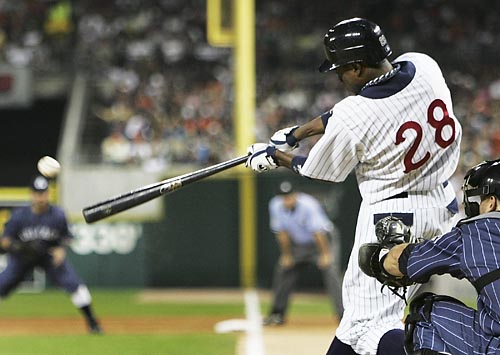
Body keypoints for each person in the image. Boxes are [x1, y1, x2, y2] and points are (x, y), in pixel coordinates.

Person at [246, 17, 462, 355]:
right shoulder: (424, 66)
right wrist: (294, 134)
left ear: (359, 67)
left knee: (365, 328)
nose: (338, 75)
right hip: (443, 206)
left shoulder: (355, 113)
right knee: (366, 324)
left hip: (393, 219)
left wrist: (274, 157)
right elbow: (350, 111)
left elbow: (317, 170)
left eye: (342, 69)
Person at [360, 159, 500, 355]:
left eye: (480, 200)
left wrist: (382, 256)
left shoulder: (477, 231)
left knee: (424, 311)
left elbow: (398, 263)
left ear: (491, 202)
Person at [0, 175, 103, 334]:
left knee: (75, 285)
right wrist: (21, 246)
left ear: (48, 194)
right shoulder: (20, 215)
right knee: (2, 284)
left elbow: (67, 237)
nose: (40, 197)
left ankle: (93, 323)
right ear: (31, 194)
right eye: (37, 193)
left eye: (43, 193)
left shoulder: (58, 215)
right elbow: (5, 240)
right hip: (22, 258)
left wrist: (60, 249)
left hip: (48, 256)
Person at [264, 180, 344, 326]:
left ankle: (343, 316)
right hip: (298, 243)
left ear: (296, 195)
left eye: (289, 196)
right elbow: (281, 233)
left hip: (323, 241)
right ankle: (277, 313)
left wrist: (325, 255)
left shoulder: (308, 205)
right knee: (284, 269)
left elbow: (318, 233)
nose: (286, 199)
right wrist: (287, 255)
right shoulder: (275, 205)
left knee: (331, 272)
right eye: (283, 196)